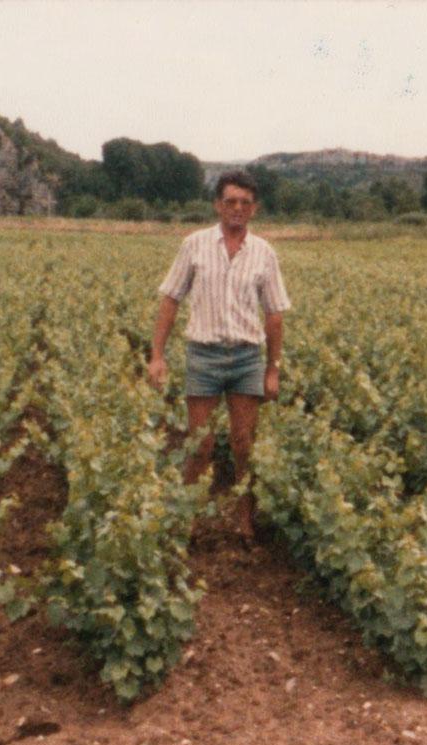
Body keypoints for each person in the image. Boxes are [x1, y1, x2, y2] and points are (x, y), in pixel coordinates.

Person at [148, 170, 291, 542]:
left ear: (254, 208)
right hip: (204, 356)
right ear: (218, 205)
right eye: (230, 202)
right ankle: (189, 522)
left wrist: (273, 369)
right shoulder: (194, 245)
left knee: (245, 445)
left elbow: (274, 315)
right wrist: (157, 355)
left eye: (245, 203)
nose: (237, 209)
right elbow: (170, 299)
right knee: (201, 445)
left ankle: (245, 521)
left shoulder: (264, 253)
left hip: (246, 359)